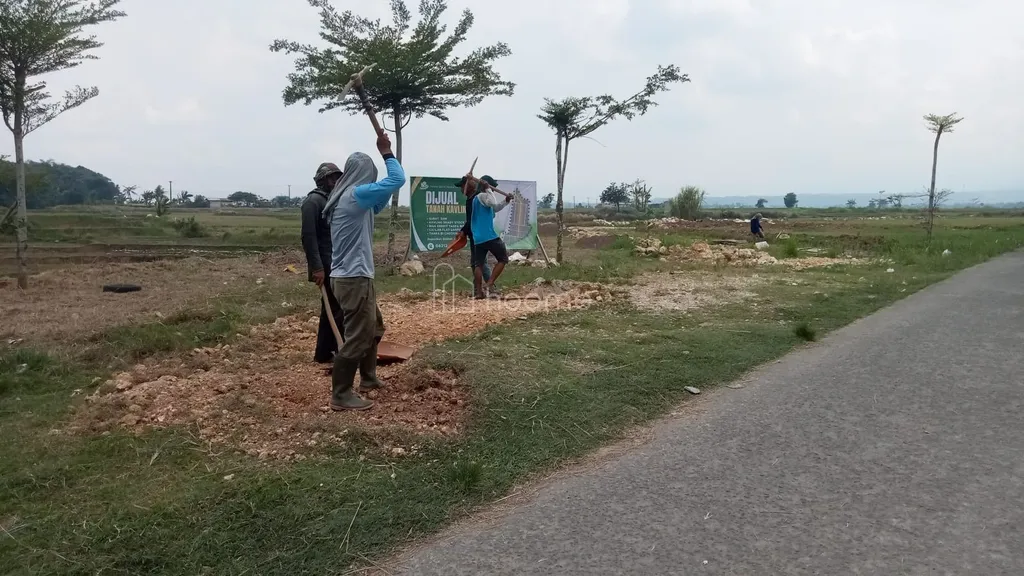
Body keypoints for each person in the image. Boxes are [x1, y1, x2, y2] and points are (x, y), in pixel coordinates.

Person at [322, 133, 406, 411]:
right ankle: (341, 394)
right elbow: (397, 180)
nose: (372, 181)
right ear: (363, 175)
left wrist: (383, 174)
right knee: (358, 335)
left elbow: (383, 196)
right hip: (353, 279)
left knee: (374, 328)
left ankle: (368, 379)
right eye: (370, 175)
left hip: (352, 277)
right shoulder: (354, 195)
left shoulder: (351, 198)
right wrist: (387, 153)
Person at [301, 162, 345, 365]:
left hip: (335, 261)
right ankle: (335, 350)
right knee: (334, 308)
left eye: (337, 177)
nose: (335, 181)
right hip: (324, 263)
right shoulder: (313, 202)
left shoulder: (331, 200)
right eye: (332, 178)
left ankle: (324, 353)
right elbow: (309, 238)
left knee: (332, 308)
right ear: (322, 180)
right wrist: (317, 268)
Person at [467, 175, 513, 299]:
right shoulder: (483, 196)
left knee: (479, 265)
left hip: (478, 238)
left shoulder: (477, 200)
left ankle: (478, 293)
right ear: (486, 186)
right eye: (492, 188)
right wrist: (488, 189)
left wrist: (506, 201)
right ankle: (490, 283)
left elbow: (495, 207)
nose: (493, 190)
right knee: (503, 259)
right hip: (488, 236)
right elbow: (492, 202)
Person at [455, 175, 491, 298]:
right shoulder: (470, 199)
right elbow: (470, 220)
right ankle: (478, 290)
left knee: (479, 263)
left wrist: (464, 231)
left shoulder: (475, 199)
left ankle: (491, 289)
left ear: (468, 186)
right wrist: (464, 231)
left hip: (478, 235)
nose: (461, 189)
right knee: (476, 263)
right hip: (475, 235)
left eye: (462, 186)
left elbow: (473, 220)